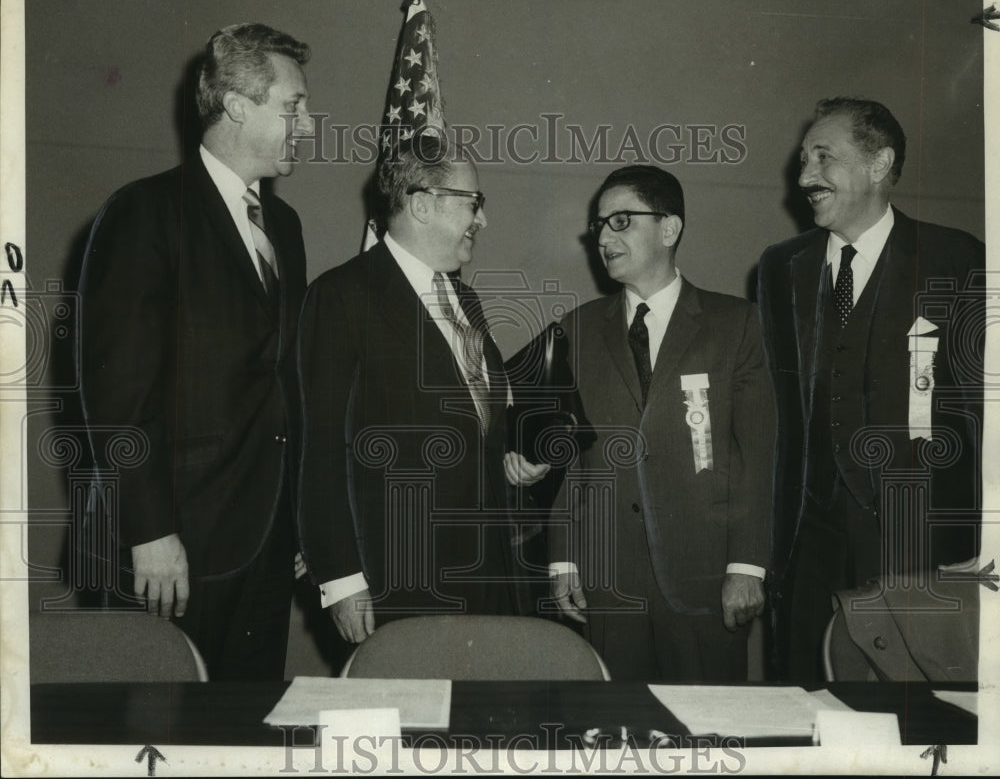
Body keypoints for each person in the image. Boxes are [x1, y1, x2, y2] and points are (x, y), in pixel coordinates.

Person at [78, 23, 312, 680]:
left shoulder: (283, 226)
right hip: (167, 545)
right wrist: (148, 530)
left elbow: (277, 382)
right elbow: (116, 389)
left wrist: (295, 520)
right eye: (293, 107)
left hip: (261, 543)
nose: (310, 124)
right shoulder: (145, 212)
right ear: (239, 105)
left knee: (241, 729)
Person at [757, 97, 984, 681]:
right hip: (809, 540)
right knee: (804, 695)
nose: (805, 176)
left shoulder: (957, 260)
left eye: (824, 158)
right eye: (804, 159)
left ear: (879, 164)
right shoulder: (781, 267)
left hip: (915, 542)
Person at [297, 134, 546, 644]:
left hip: (491, 574)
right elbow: (318, 451)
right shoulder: (342, 296)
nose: (482, 219)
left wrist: (519, 457)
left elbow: (480, 428)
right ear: (422, 204)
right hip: (399, 580)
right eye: (473, 203)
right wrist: (341, 580)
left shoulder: (467, 302)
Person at [548, 165, 775, 681]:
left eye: (621, 221)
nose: (604, 237)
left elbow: (758, 455)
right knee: (616, 739)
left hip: (706, 579)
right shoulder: (576, 330)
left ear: (669, 229)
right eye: (599, 225)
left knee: (708, 740)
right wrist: (562, 557)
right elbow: (566, 456)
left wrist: (747, 566)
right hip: (609, 583)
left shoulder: (737, 324)